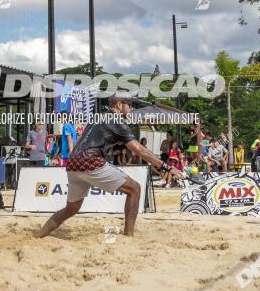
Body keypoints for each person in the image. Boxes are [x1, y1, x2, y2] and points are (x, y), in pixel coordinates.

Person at [35, 93, 183, 238]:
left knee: (71, 209)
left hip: (73, 163)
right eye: (129, 106)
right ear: (119, 104)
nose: (131, 109)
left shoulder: (99, 116)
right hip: (90, 160)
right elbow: (138, 149)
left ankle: (38, 235)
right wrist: (166, 167)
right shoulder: (116, 120)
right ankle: (129, 235)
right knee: (135, 189)